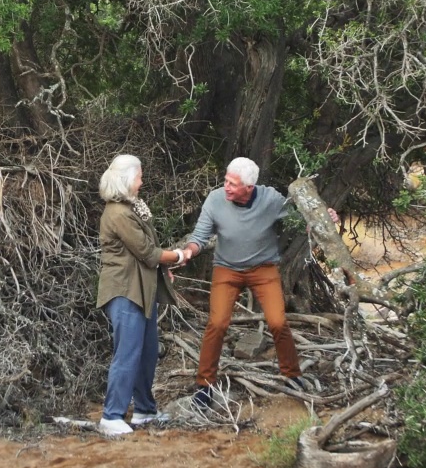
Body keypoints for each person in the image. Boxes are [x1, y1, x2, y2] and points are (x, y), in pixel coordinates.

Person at [180, 157, 337, 406]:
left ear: (249, 187)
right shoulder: (215, 199)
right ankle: (204, 385)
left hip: (263, 270)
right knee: (217, 324)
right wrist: (189, 251)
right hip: (227, 270)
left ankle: (292, 375)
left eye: (232, 184)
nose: (227, 187)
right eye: (226, 181)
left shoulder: (271, 199)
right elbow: (200, 235)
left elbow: (301, 223)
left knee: (277, 322)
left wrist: (321, 217)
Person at [95, 154, 189, 437]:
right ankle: (111, 416)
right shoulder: (119, 213)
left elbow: (148, 250)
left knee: (147, 352)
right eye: (139, 177)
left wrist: (165, 265)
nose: (142, 181)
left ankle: (145, 409)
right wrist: (179, 255)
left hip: (141, 290)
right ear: (127, 179)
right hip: (125, 291)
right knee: (127, 354)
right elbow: (147, 253)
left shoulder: (132, 208)